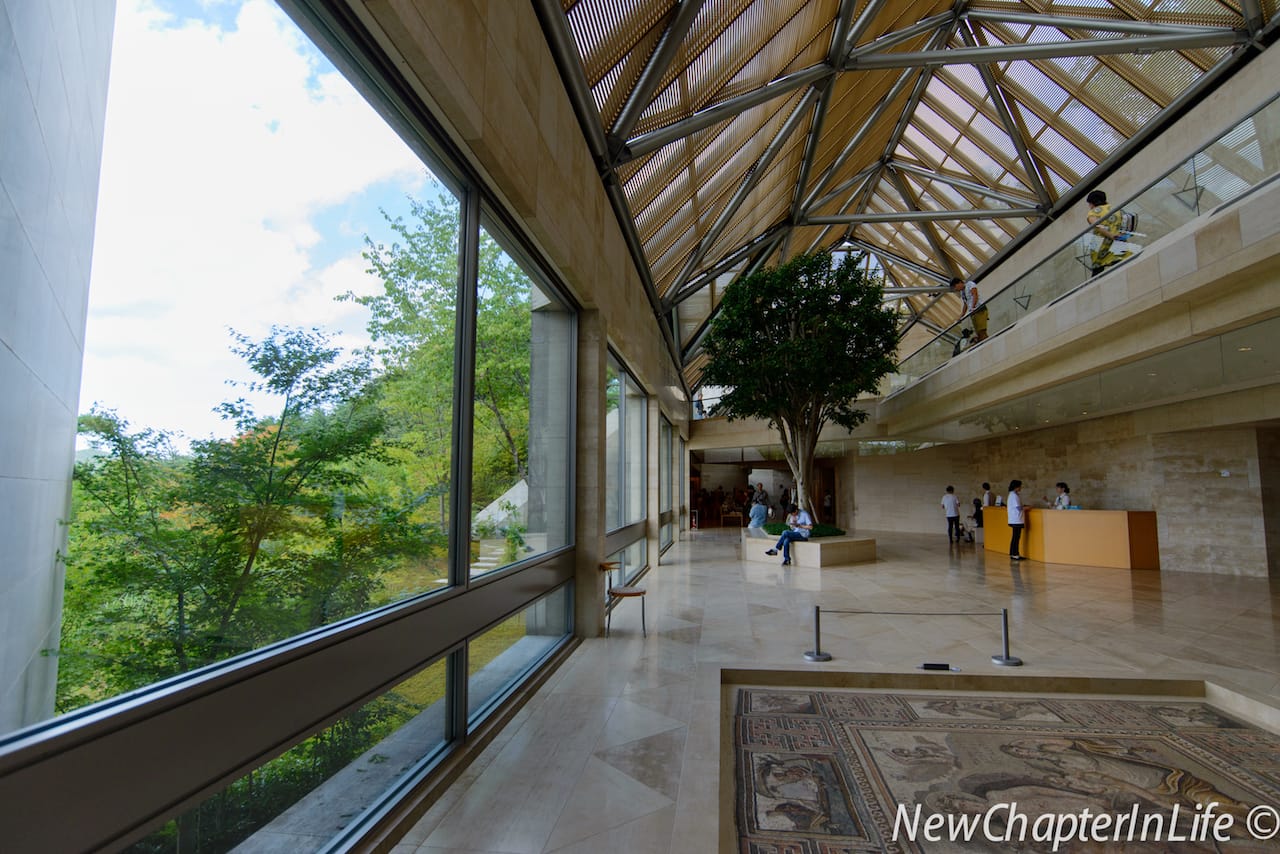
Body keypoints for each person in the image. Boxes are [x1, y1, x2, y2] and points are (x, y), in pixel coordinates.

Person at [1085, 190, 1141, 275]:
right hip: (1119, 243)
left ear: (1092, 203)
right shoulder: (1115, 210)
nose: (1089, 206)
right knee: (1122, 267)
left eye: (1089, 204)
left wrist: (1111, 235)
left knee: (1097, 272)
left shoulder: (1092, 212)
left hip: (1101, 247)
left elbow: (1097, 225)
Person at [950, 277, 988, 344]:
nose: (956, 289)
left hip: (979, 309)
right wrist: (961, 316)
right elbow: (965, 304)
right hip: (973, 312)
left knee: (982, 331)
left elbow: (974, 295)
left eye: (955, 287)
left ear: (959, 283)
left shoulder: (970, 284)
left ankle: (986, 343)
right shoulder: (962, 292)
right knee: (978, 333)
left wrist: (973, 306)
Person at [1007, 479, 1027, 560]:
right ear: (1016, 487)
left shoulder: (1012, 495)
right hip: (1016, 519)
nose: (1020, 488)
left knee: (1015, 537)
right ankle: (1015, 554)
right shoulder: (1014, 496)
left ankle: (1013, 553)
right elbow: (1018, 508)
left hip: (1014, 519)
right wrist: (1027, 508)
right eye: (1020, 486)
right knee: (1016, 537)